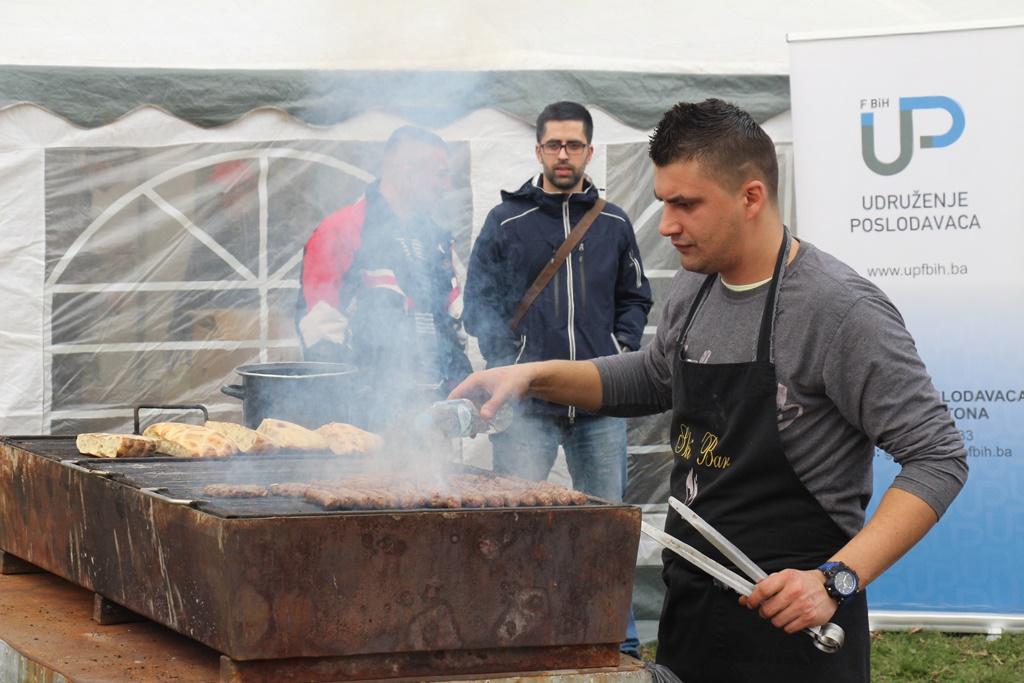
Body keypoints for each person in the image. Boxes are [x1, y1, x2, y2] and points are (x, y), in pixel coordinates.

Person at [451, 99, 968, 682]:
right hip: (692, 606)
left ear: (751, 197)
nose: (667, 224)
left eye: (685, 204)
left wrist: (836, 579)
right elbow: (651, 376)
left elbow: (938, 457)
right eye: (663, 202)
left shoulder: (841, 311)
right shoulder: (696, 286)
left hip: (794, 629)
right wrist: (532, 375)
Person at [463, 102, 652, 658]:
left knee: (607, 529)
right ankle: (515, 643)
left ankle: (617, 645)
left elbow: (636, 297)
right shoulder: (507, 221)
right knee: (518, 525)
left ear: (590, 152)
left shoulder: (614, 222)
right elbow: (480, 304)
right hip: (528, 409)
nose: (563, 154)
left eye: (574, 145)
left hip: (598, 404)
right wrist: (510, 365)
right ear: (539, 150)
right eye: (554, 145)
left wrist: (617, 355)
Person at [297, 126, 472, 429]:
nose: (446, 186)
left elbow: (453, 323)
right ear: (406, 171)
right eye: (440, 175)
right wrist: (348, 406)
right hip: (364, 415)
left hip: (430, 413)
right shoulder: (342, 229)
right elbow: (319, 329)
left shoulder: (437, 240)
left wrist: (460, 389)